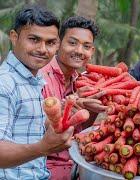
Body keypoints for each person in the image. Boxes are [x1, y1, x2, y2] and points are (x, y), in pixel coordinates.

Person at [0, 5, 74, 179]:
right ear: (14, 37)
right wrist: (42, 148)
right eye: (34, 39)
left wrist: (59, 119)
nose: (42, 49)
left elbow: (26, 127)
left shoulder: (34, 80)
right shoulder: (5, 83)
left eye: (50, 42)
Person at [39, 16, 106, 180]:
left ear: (92, 51)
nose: (79, 51)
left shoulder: (81, 82)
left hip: (75, 166)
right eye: (73, 43)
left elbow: (80, 130)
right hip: (43, 170)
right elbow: (35, 131)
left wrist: (94, 108)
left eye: (86, 46)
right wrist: (69, 103)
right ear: (58, 43)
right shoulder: (40, 77)